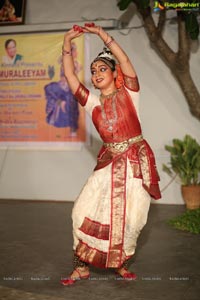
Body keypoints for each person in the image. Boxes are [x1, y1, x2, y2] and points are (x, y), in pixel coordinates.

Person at [60, 23, 161, 286]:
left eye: (102, 69)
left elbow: (125, 60)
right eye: (93, 71)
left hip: (135, 164)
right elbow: (71, 78)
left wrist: (103, 36)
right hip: (108, 165)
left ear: (115, 73)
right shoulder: (93, 103)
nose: (95, 74)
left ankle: (121, 263)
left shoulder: (130, 94)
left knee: (134, 218)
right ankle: (81, 266)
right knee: (81, 211)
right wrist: (66, 43)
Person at [44, 43, 81, 135]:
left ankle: (72, 128)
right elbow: (64, 76)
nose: (76, 52)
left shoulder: (76, 64)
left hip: (71, 87)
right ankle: (59, 104)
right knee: (52, 89)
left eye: (75, 50)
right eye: (74, 50)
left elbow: (75, 74)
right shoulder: (65, 62)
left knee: (72, 102)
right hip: (65, 85)